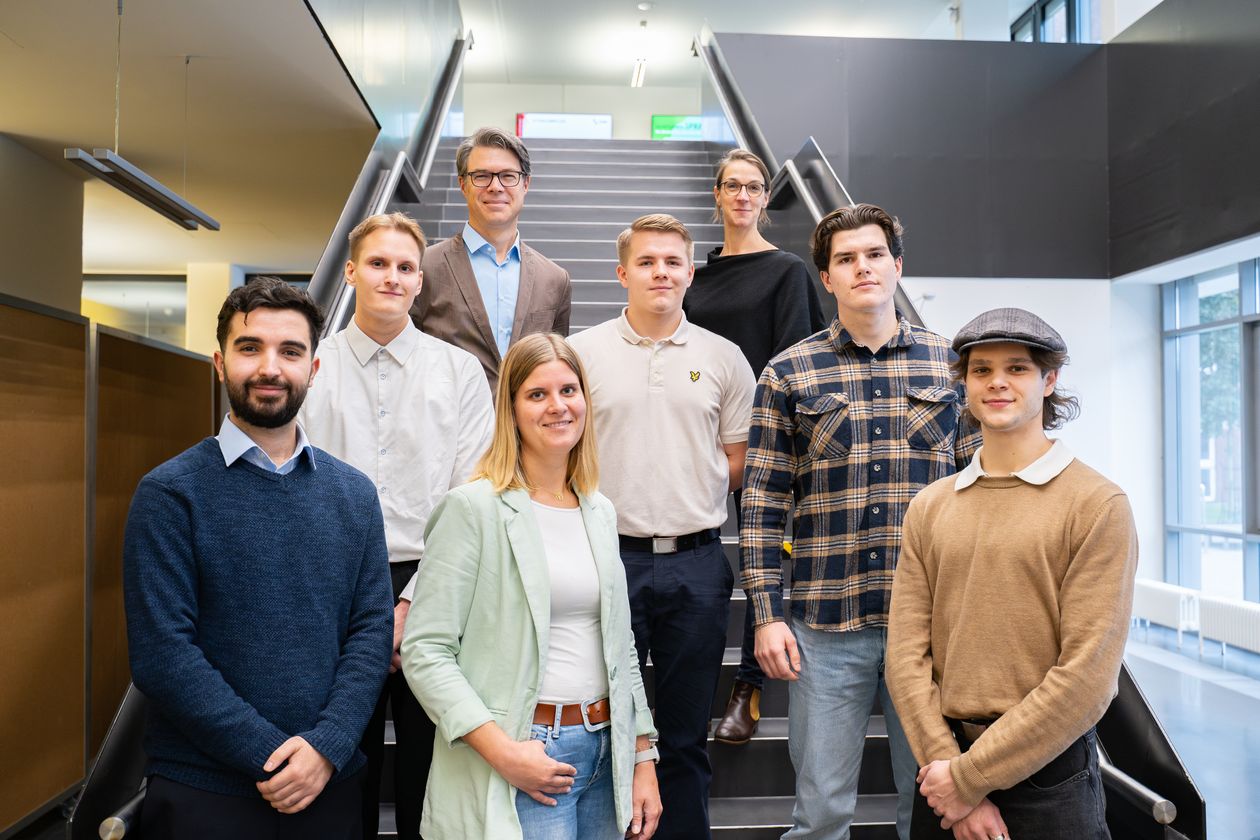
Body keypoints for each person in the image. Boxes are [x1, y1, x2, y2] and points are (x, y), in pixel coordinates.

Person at [741, 204, 979, 840]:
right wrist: (766, 614)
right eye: (845, 259)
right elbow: (761, 505)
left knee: (930, 807)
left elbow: (982, 501)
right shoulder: (788, 373)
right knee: (819, 814)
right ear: (827, 277)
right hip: (825, 628)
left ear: (897, 266)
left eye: (874, 255)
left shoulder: (953, 367)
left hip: (930, 630)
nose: (862, 268)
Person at [123, 277, 393, 839]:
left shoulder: (355, 495)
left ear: (313, 369)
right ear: (220, 363)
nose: (270, 367)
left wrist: (326, 748)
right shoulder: (170, 493)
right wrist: (274, 755)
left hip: (328, 787)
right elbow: (163, 653)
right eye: (250, 348)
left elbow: (370, 632)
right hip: (204, 791)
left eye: (290, 351)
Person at [887, 308, 1138, 840]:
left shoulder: (1097, 504)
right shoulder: (930, 506)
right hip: (943, 761)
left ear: (1049, 382)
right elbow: (906, 657)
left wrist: (969, 780)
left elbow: (1088, 677)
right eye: (981, 370)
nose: (997, 382)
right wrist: (952, 777)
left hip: (1050, 775)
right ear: (965, 385)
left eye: (1017, 368)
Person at [400, 333, 661, 840]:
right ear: (512, 410)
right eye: (537, 394)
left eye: (569, 390)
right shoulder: (473, 509)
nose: (558, 406)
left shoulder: (599, 510)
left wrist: (643, 755)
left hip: (607, 747)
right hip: (526, 751)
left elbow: (622, 648)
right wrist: (506, 753)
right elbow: (426, 651)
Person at [298, 211, 494, 840]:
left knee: (431, 767)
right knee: (337, 761)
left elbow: (473, 496)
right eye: (378, 264)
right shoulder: (311, 367)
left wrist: (411, 601)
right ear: (351, 271)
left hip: (435, 583)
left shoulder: (460, 373)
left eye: (405, 267)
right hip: (330, 583)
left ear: (420, 283)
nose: (392, 276)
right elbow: (291, 489)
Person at [570, 214, 757, 840]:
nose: (661, 272)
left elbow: (736, 461)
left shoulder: (723, 358)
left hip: (697, 565)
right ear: (622, 273)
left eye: (673, 262)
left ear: (690, 273)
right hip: (602, 559)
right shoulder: (583, 353)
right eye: (647, 262)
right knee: (599, 724)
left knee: (682, 735)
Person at [685, 148, 826, 745]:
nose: (742, 195)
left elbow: (795, 354)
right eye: (732, 186)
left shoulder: (788, 269)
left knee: (761, 555)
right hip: (697, 428)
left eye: (753, 187)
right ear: (716, 195)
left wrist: (774, 435)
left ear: (765, 200)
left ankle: (748, 686)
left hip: (766, 432)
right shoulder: (698, 273)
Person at [410, 127, 572, 391]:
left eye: (508, 176)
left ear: (526, 184)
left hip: (525, 428)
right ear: (463, 184)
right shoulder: (423, 267)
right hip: (449, 425)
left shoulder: (555, 279)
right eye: (482, 176)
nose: (495, 187)